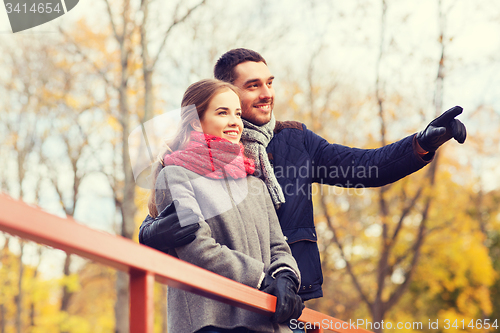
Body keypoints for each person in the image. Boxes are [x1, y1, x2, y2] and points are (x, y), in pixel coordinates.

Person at [140, 49, 467, 303]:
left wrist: (422, 142)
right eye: (253, 85)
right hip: (224, 299)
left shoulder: (296, 141)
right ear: (226, 91)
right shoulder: (209, 143)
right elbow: (168, 204)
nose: (266, 93)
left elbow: (366, 167)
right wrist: (150, 232)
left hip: (288, 294)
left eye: (269, 82)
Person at [149, 79, 303, 333]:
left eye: (238, 114)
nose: (235, 122)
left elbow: (278, 246)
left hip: (266, 322)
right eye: (222, 112)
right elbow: (197, 248)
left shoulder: (255, 183)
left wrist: (285, 278)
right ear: (194, 121)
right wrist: (262, 280)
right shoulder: (175, 175)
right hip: (211, 323)